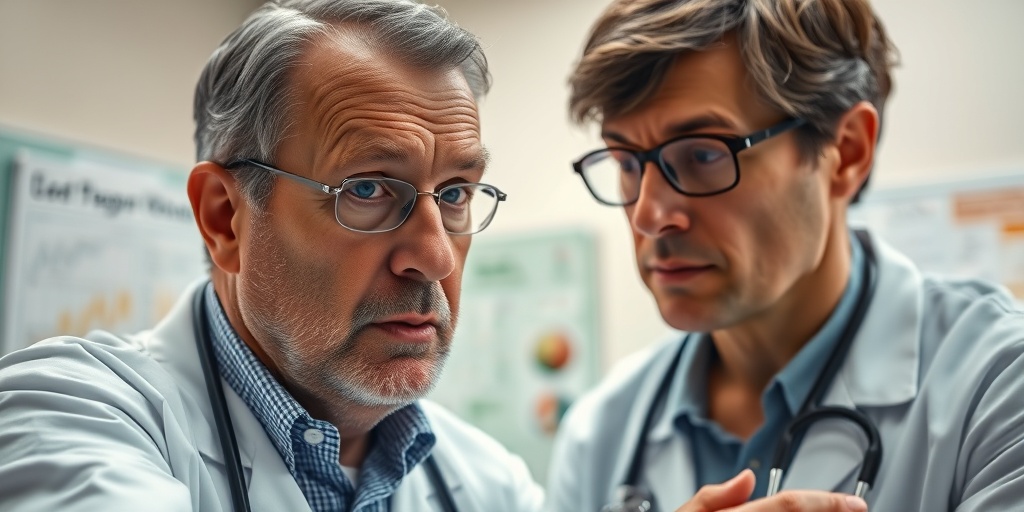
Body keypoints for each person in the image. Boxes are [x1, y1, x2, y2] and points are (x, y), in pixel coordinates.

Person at [0, 1, 544, 510]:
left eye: (454, 195)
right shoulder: (65, 414)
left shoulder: (492, 482)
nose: (436, 258)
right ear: (224, 219)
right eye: (367, 189)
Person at [547, 0, 1024, 511]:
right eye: (627, 162)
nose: (648, 216)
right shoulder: (599, 435)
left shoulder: (998, 384)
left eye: (703, 155)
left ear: (846, 152)